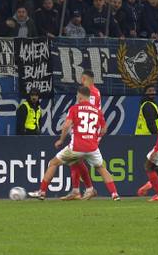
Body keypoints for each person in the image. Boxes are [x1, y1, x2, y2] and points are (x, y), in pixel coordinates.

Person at [28, 87, 120, 201]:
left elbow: (66, 125)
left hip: (77, 147)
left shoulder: (74, 109)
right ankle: (115, 194)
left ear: (80, 96)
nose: (77, 97)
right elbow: (104, 129)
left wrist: (61, 140)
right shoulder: (97, 111)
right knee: (101, 168)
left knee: (53, 163)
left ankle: (41, 192)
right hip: (92, 147)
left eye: (77, 95)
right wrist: (94, 138)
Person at [62, 70, 118, 201]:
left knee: (78, 159)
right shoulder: (95, 91)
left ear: (83, 79)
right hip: (89, 129)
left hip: (88, 131)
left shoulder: (90, 93)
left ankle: (86, 189)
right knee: (75, 160)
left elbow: (89, 111)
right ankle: (79, 190)